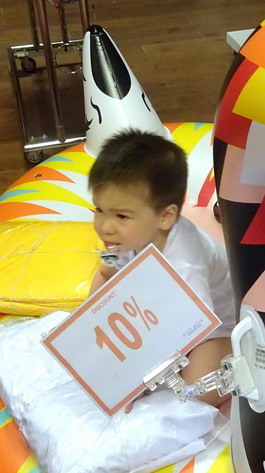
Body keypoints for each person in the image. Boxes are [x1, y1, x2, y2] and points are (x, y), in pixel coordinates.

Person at [87, 129, 237, 407]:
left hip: (216, 325)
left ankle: (244, 355)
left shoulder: (184, 264)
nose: (105, 226)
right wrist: (87, 327)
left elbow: (186, 328)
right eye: (99, 210)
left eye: (121, 215)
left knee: (197, 390)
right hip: (160, 310)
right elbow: (106, 274)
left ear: (165, 216)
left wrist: (133, 379)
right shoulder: (119, 240)